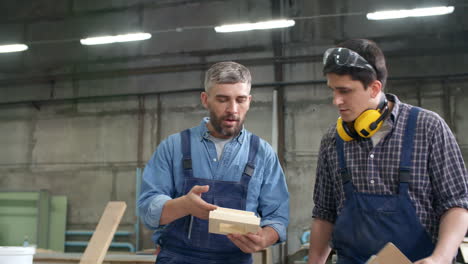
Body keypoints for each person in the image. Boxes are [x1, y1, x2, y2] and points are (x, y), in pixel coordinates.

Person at [308, 39, 468, 264]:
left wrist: (439, 259)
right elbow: (325, 214)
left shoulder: (428, 128)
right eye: (333, 90)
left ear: (374, 88)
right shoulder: (333, 140)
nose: (336, 101)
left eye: (345, 91)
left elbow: (457, 204)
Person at [138, 61, 289, 264]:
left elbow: (277, 216)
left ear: (249, 101)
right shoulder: (173, 147)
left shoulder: (263, 153)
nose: (232, 109)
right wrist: (184, 205)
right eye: (222, 99)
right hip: (177, 258)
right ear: (205, 99)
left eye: (241, 100)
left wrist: (265, 237)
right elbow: (148, 208)